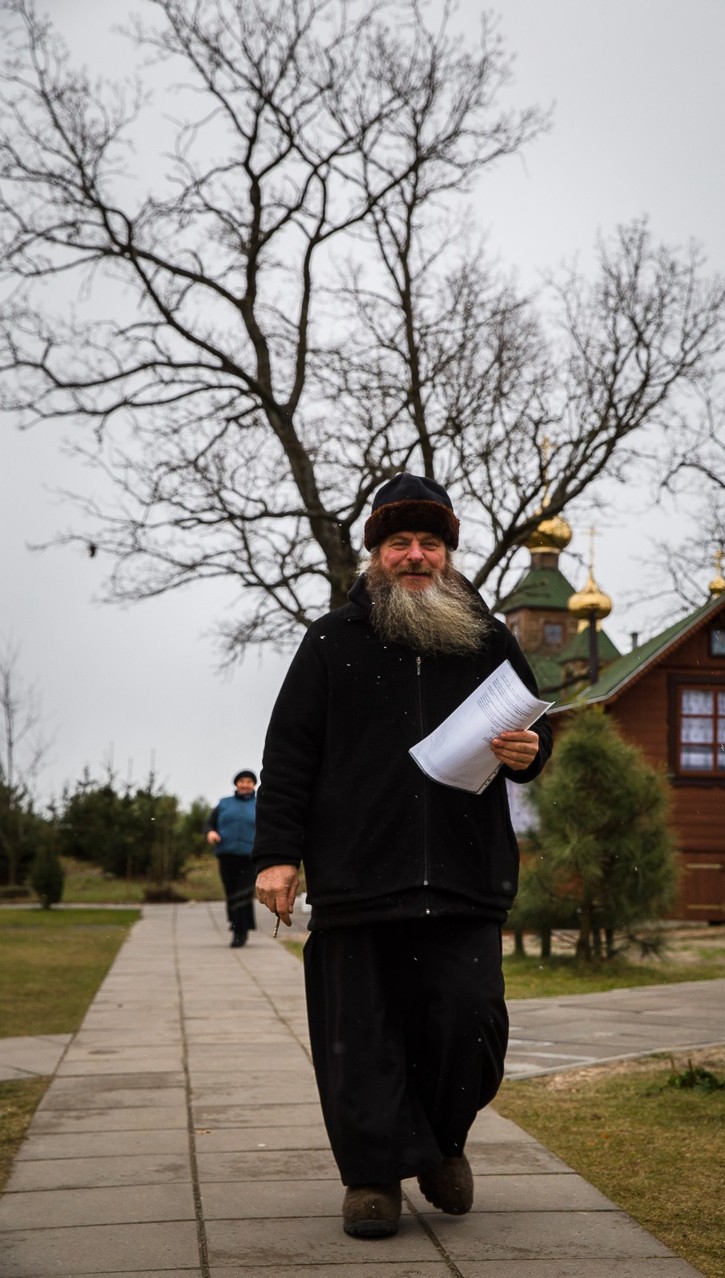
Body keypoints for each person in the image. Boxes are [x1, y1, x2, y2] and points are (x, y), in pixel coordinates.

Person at [252, 474, 552, 1239]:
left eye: (430, 544)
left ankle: (442, 1141)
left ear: (447, 556)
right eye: (399, 543)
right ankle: (373, 1177)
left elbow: (531, 731)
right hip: (359, 877)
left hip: (464, 875)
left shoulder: (486, 639)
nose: (415, 556)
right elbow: (289, 756)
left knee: (468, 1019)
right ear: (376, 556)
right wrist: (278, 855)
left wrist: (529, 752)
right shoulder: (330, 643)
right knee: (360, 1037)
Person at [206, 769, 258, 948]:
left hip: (250, 857)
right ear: (236, 784)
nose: (245, 784)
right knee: (231, 892)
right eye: (242, 781)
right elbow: (209, 824)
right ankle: (238, 925)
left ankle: (239, 932)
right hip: (227, 855)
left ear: (254, 785)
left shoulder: (260, 805)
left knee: (243, 893)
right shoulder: (223, 804)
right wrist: (211, 832)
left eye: (249, 781)